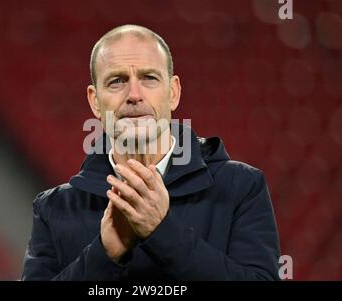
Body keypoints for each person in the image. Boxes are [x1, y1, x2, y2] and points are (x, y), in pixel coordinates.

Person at [21, 24, 281, 281]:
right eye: (117, 81)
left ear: (174, 93)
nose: (134, 95)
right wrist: (104, 255)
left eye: (149, 78)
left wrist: (163, 231)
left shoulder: (241, 188)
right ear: (94, 101)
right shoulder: (53, 208)